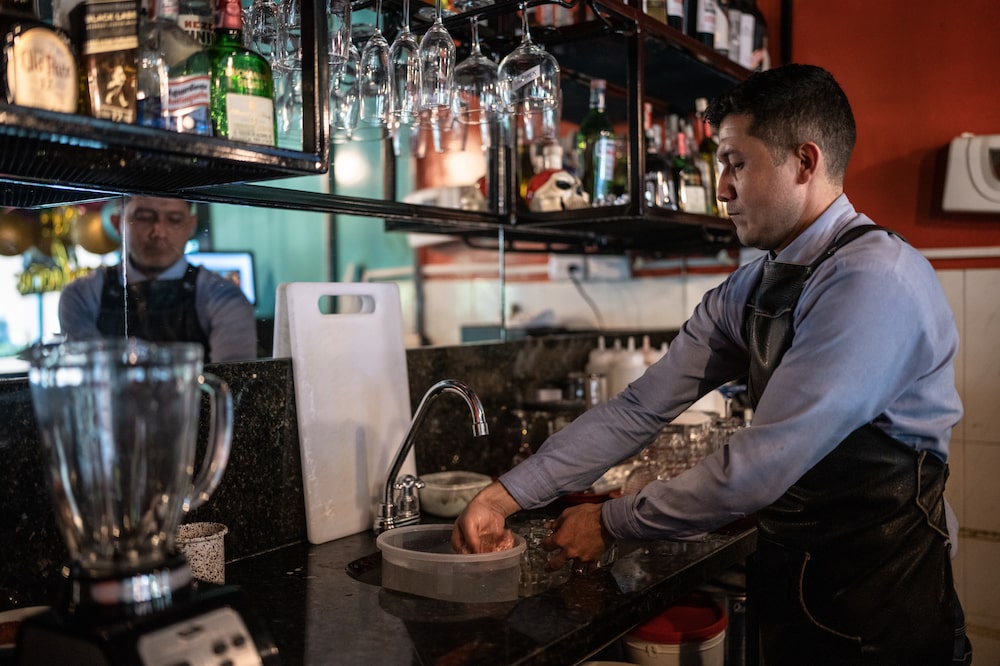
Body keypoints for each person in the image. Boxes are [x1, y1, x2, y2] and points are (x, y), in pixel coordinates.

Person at [454, 64, 971, 665]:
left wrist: (613, 522)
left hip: (884, 613)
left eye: (735, 163)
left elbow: (761, 465)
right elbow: (639, 409)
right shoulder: (750, 289)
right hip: (794, 593)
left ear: (804, 163)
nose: (722, 188)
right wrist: (504, 497)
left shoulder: (873, 281)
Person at [59, 195, 258, 363]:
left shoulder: (225, 298)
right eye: (144, 218)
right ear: (117, 223)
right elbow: (90, 381)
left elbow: (232, 384)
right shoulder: (80, 296)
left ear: (191, 225)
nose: (159, 232)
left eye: (174, 219)